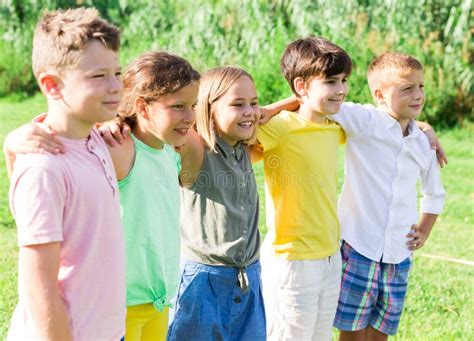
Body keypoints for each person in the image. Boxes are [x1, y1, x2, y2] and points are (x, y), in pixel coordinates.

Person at [6, 8, 126, 340]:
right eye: (98, 76)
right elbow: (39, 285)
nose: (116, 86)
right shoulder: (44, 168)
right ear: (52, 85)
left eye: (118, 72)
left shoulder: (94, 138)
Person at [331, 52, 446, 340]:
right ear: (380, 94)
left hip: (399, 254)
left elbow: (434, 193)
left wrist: (424, 230)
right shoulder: (365, 121)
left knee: (381, 333)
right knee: (353, 333)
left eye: (421, 86)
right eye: (407, 89)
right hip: (359, 247)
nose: (418, 95)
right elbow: (320, 102)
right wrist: (266, 110)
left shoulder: (423, 143)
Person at [257, 36, 350, 341]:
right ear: (301, 86)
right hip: (293, 260)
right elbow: (233, 126)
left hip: (329, 255)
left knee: (321, 336)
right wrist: (271, 109)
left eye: (345, 80)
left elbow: (384, 119)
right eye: (331, 81)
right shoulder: (280, 127)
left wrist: (425, 129)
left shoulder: (334, 127)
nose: (341, 90)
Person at [166, 66, 266, 340]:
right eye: (237, 104)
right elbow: (153, 126)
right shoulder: (196, 148)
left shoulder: (243, 146)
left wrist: (263, 111)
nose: (250, 111)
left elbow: (267, 115)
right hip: (203, 281)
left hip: (248, 278)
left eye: (254, 103)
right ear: (207, 110)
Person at [109, 52, 199, 340]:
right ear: (143, 108)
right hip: (122, 304)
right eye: (178, 106)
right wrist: (107, 121)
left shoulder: (169, 151)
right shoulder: (121, 148)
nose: (191, 117)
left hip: (159, 300)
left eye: (193, 105)